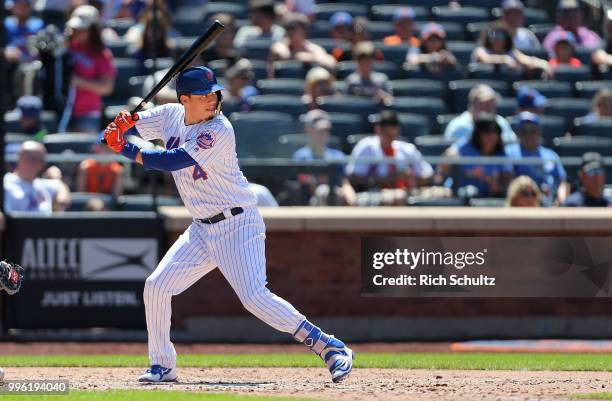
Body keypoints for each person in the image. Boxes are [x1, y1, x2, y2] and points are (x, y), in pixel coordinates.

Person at [101, 66, 354, 383]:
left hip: (238, 223)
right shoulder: (169, 115)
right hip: (201, 229)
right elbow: (123, 128)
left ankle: (329, 346)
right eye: (204, 95)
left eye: (214, 93)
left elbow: (170, 160)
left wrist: (123, 145)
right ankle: (162, 364)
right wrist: (121, 125)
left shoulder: (219, 129)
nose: (213, 99)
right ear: (185, 100)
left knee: (254, 297)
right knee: (156, 286)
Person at [346, 110, 434, 206]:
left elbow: (428, 174)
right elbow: (353, 176)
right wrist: (383, 179)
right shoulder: (366, 147)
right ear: (378, 130)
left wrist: (412, 177)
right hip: (375, 192)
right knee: (397, 196)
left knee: (443, 193)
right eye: (387, 134)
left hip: (407, 191)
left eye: (393, 133)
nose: (390, 138)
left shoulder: (407, 149)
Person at [65, 5, 117, 133]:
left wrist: (78, 81)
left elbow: (106, 88)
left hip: (87, 113)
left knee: (83, 151)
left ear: (93, 30)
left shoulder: (102, 54)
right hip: (64, 109)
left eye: (83, 29)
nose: (78, 32)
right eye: (75, 29)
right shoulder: (68, 47)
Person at [504, 112, 568, 206]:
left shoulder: (551, 155)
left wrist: (560, 201)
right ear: (518, 134)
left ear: (539, 132)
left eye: (533, 130)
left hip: (550, 203)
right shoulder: (510, 152)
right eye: (524, 131)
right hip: (523, 203)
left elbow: (562, 182)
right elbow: (507, 181)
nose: (529, 135)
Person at [442, 114, 513, 198]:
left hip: (489, 199)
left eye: (495, 132)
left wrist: (492, 183)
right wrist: (469, 173)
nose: (491, 136)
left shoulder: (502, 154)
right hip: (459, 196)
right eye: (486, 132)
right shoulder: (466, 147)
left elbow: (505, 186)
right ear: (478, 134)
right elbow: (446, 161)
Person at [292, 110, 354, 206]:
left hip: (339, 196)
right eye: (319, 130)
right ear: (307, 129)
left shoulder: (338, 155)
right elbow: (309, 186)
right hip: (312, 202)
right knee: (324, 191)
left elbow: (344, 182)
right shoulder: (300, 156)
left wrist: (353, 201)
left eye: (326, 130)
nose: (323, 134)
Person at [4, 141, 71, 214]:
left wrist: (61, 196)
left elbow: (59, 186)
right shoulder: (6, 185)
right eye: (36, 159)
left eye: (42, 160)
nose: (42, 164)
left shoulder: (40, 184)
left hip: (46, 225)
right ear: (21, 158)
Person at [268, 12, 336, 77]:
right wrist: (310, 57)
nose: (290, 31)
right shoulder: (280, 45)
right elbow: (285, 55)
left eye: (293, 27)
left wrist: (306, 57)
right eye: (287, 27)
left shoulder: (312, 48)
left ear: (304, 30)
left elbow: (328, 62)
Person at [444, 84, 516, 144]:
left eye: (492, 104)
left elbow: (513, 146)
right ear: (472, 105)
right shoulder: (459, 126)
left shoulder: (501, 122)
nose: (489, 108)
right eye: (484, 104)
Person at [472, 21, 549, 77]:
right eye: (492, 36)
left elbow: (526, 60)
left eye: (500, 36)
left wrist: (543, 64)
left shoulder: (511, 53)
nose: (496, 39)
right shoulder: (481, 51)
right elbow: (486, 59)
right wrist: (504, 59)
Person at [345, 41, 393, 106]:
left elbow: (390, 101)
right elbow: (348, 103)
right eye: (361, 60)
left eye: (368, 60)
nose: (365, 64)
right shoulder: (351, 80)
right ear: (356, 61)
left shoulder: (382, 79)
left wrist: (383, 97)